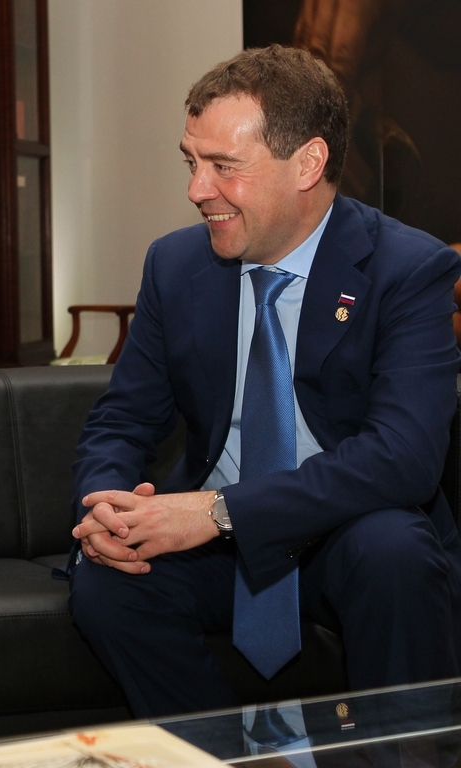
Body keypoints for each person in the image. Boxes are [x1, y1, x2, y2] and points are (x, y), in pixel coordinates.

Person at [69, 44, 461, 721]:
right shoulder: (175, 265)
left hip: (344, 530)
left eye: (224, 166)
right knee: (109, 586)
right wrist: (105, 505)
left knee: (393, 550)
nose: (197, 189)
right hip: (218, 547)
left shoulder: (405, 269)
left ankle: (402, 756)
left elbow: (404, 457)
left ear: (307, 163)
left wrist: (218, 510)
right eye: (192, 162)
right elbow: (123, 419)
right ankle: (215, 759)